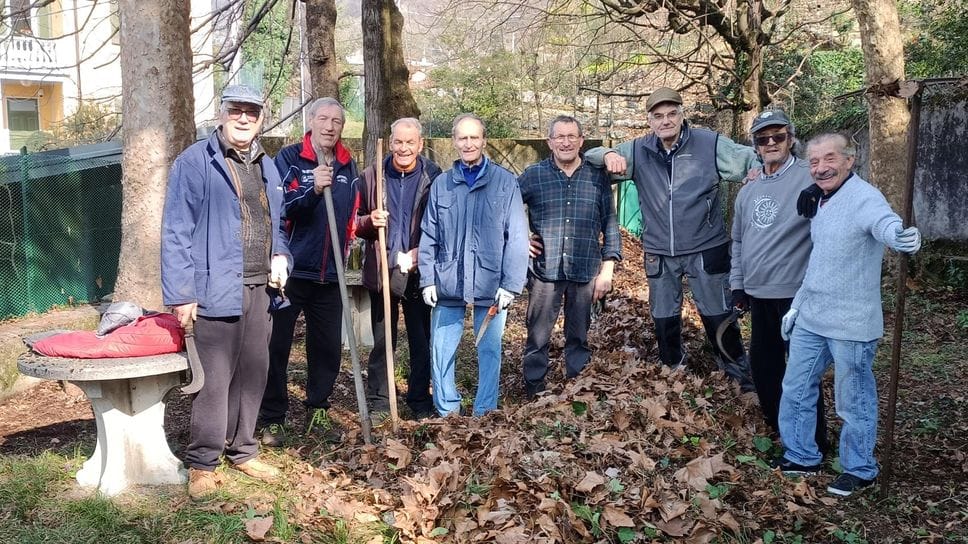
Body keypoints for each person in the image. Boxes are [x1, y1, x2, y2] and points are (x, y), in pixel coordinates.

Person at [161, 84, 290, 499]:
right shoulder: (196, 162)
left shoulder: (267, 166)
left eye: (252, 112)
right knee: (215, 380)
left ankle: (244, 450)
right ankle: (202, 462)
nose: (244, 118)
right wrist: (182, 293)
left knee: (254, 373)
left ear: (261, 119)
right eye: (236, 110)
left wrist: (281, 255)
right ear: (221, 114)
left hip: (261, 288)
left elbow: (279, 223)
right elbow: (176, 231)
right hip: (214, 287)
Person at [776, 133, 922, 497]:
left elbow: (883, 221)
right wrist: (797, 303)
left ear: (849, 160)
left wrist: (899, 235)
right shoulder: (821, 199)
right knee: (795, 387)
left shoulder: (864, 198)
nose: (821, 168)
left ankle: (859, 468)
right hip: (812, 315)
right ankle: (801, 455)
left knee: (853, 399)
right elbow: (820, 260)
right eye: (813, 162)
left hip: (851, 322)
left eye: (829, 159)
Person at [585, 87, 755, 391]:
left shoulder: (709, 144)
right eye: (658, 116)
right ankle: (673, 371)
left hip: (706, 246)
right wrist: (608, 153)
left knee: (718, 314)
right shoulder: (638, 150)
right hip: (660, 250)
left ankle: (738, 378)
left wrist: (758, 177)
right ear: (650, 120)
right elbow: (590, 157)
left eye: (672, 113)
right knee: (663, 316)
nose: (666, 120)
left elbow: (752, 161)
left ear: (682, 114)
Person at [258, 97, 360, 445]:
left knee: (328, 348)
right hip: (292, 272)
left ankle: (318, 408)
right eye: (323, 119)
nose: (330, 126)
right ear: (311, 121)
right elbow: (280, 208)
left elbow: (348, 216)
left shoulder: (348, 165)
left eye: (337, 121)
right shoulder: (288, 158)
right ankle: (272, 416)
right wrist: (312, 188)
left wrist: (359, 231)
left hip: (330, 274)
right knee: (277, 346)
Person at [730, 110, 829, 449]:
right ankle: (780, 429)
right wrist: (737, 284)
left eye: (778, 136)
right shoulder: (749, 188)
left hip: (796, 294)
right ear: (755, 145)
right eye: (763, 138)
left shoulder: (807, 174)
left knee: (801, 372)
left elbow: (841, 176)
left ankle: (814, 439)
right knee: (765, 368)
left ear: (791, 138)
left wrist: (822, 191)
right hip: (758, 292)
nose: (771, 143)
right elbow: (739, 240)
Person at [418, 113, 528, 417]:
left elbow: (518, 236)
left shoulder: (504, 183)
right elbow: (429, 233)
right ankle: (447, 410)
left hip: (491, 283)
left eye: (474, 137)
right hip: (449, 280)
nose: (468, 144)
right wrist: (427, 278)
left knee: (489, 350)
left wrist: (511, 283)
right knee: (441, 350)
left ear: (484, 139)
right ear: (454, 141)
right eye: (462, 138)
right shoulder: (442, 185)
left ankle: (485, 411)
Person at [518, 115, 621, 398]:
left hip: (584, 269)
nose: (565, 142)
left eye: (571, 136)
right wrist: (521, 237)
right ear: (549, 142)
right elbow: (506, 207)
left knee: (578, 336)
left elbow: (610, 222)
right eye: (559, 137)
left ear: (581, 141)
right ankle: (534, 391)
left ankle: (578, 391)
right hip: (545, 271)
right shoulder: (533, 175)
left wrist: (608, 269)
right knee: (537, 337)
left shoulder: (596, 176)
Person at [356, 117, 442, 424]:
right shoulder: (371, 177)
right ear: (390, 143)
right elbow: (353, 223)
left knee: (421, 337)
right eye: (398, 142)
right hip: (383, 270)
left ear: (420, 144)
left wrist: (425, 251)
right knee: (382, 339)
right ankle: (380, 399)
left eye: (410, 142)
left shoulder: (433, 176)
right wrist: (369, 221)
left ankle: (419, 397)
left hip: (420, 271)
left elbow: (442, 223)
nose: (403, 148)